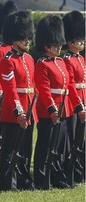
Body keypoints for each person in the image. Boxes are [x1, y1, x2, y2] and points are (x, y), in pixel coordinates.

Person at [0, 11, 37, 191]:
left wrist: (31, 109)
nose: (27, 41)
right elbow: (10, 89)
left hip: (29, 110)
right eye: (23, 38)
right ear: (14, 39)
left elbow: (32, 86)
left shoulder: (29, 59)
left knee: (25, 149)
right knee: (10, 150)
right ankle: (8, 183)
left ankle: (23, 180)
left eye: (28, 37)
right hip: (14, 111)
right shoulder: (8, 61)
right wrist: (19, 111)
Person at [33, 15, 72, 189]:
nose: (59, 47)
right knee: (45, 145)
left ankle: (58, 176)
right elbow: (44, 89)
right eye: (55, 45)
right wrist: (52, 110)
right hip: (48, 111)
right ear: (47, 46)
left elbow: (67, 85)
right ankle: (41, 177)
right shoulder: (42, 64)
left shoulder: (61, 62)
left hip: (64, 109)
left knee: (60, 146)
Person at [0, 0, 18, 161]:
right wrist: (0, 94)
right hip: (3, 97)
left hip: (14, 97)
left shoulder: (15, 50)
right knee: (0, 130)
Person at [62, 11, 86, 184]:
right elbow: (71, 85)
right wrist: (79, 106)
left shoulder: (80, 59)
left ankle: (80, 170)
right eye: (79, 39)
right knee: (72, 140)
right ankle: (70, 170)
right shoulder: (68, 59)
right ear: (70, 41)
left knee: (80, 139)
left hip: (83, 100)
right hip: (73, 104)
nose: (82, 42)